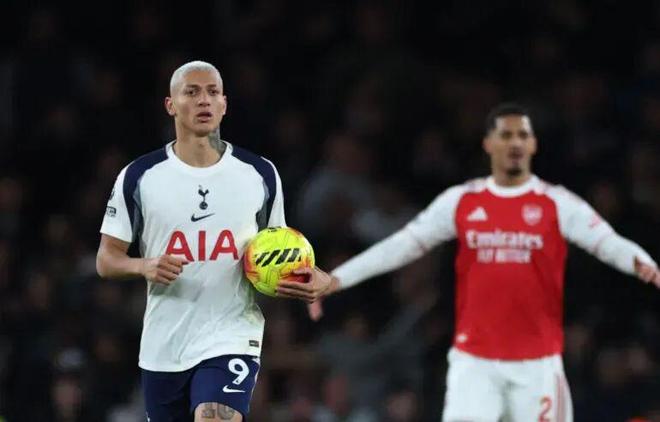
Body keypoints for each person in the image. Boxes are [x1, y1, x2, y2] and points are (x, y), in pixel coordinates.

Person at [308, 103, 660, 421]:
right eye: (505, 135)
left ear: (533, 145)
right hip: (476, 362)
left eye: (522, 135)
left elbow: (606, 242)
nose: (514, 143)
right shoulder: (460, 202)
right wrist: (338, 278)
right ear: (489, 144)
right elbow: (401, 246)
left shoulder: (556, 203)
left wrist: (645, 265)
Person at [96, 60, 331, 422]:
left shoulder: (259, 174)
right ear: (171, 105)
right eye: (192, 92)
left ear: (224, 104)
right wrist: (144, 265)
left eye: (212, 92)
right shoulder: (140, 176)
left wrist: (318, 279)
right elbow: (106, 260)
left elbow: (282, 254)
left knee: (214, 416)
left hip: (231, 335)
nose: (204, 100)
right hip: (164, 345)